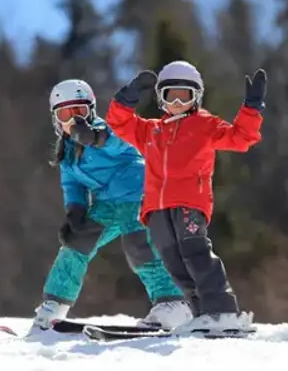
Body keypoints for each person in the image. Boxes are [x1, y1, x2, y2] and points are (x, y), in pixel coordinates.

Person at [105, 60, 266, 334]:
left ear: (196, 97)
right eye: (171, 95)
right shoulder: (151, 130)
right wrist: (126, 97)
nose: (178, 102)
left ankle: (222, 310)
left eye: (185, 96)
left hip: (190, 202)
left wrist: (251, 108)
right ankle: (202, 314)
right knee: (174, 262)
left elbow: (240, 138)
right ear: (161, 98)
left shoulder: (205, 124)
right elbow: (118, 123)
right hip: (157, 208)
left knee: (195, 252)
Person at [31, 78, 193, 332]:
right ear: (56, 120)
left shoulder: (106, 131)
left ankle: (173, 302)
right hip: (106, 205)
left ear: (91, 111)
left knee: (140, 245)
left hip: (137, 194)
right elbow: (72, 184)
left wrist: (97, 137)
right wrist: (75, 211)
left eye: (79, 111)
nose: (73, 120)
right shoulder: (67, 152)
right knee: (75, 245)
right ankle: (54, 304)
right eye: (65, 114)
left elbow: (125, 140)